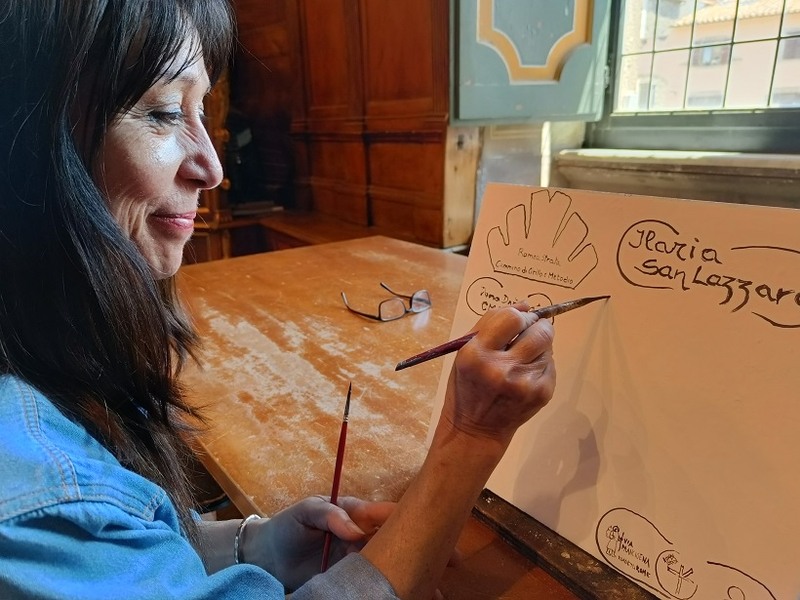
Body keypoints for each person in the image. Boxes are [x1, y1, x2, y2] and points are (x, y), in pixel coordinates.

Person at [0, 1, 556, 598]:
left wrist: (253, 546)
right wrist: (471, 438)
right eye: (163, 113)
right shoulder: (39, 493)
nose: (212, 167)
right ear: (30, 137)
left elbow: (127, 534)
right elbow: (82, 511)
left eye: (200, 109)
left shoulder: (45, 353)